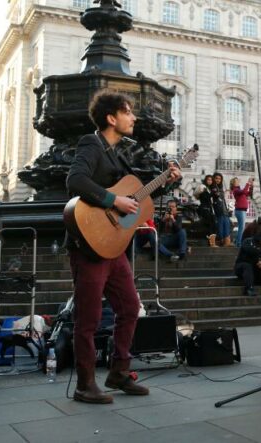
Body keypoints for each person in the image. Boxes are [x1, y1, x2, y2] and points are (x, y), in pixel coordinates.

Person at [66, 90, 181, 403]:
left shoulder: (120, 154)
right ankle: (85, 384)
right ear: (111, 118)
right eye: (128, 112)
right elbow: (75, 181)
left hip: (114, 246)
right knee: (87, 319)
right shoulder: (92, 143)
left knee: (130, 308)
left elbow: (134, 201)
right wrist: (111, 199)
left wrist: (167, 181)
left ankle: (119, 372)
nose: (134, 118)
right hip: (89, 244)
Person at [231, 176, 254, 247]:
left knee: (241, 227)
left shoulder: (240, 190)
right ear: (233, 183)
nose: (238, 182)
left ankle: (237, 242)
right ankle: (238, 243)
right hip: (240, 211)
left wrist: (251, 187)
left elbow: (248, 194)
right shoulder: (235, 190)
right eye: (236, 181)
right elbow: (244, 191)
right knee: (241, 227)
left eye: (238, 180)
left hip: (242, 211)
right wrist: (248, 183)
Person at [195, 175, 218, 247]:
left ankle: (212, 242)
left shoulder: (209, 189)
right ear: (205, 180)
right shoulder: (203, 188)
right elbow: (205, 197)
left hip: (209, 209)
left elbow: (212, 199)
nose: (210, 181)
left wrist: (215, 194)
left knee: (213, 224)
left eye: (211, 180)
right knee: (210, 224)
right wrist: (212, 193)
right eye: (208, 180)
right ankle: (211, 243)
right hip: (204, 209)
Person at [210, 172, 231, 246]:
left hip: (224, 209)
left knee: (227, 223)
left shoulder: (220, 187)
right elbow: (215, 195)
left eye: (219, 179)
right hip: (218, 209)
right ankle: (221, 240)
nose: (218, 180)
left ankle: (227, 241)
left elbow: (223, 199)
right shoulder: (213, 187)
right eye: (216, 178)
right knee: (221, 224)